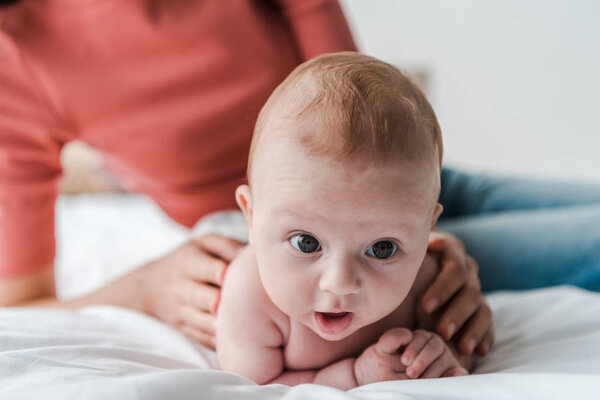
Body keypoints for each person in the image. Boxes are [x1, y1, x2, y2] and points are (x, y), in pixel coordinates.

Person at [0, 0, 491, 353]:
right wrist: (146, 290)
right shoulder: (15, 55)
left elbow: (354, 83)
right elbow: (19, 306)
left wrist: (405, 243)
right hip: (328, 240)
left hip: (403, 197)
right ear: (247, 208)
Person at [217, 52, 476, 389]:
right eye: (305, 243)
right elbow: (254, 387)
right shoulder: (250, 294)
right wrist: (353, 376)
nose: (339, 282)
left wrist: (440, 354)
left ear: (427, 231)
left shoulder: (428, 284)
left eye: (382, 249)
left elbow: (467, 349)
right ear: (250, 217)